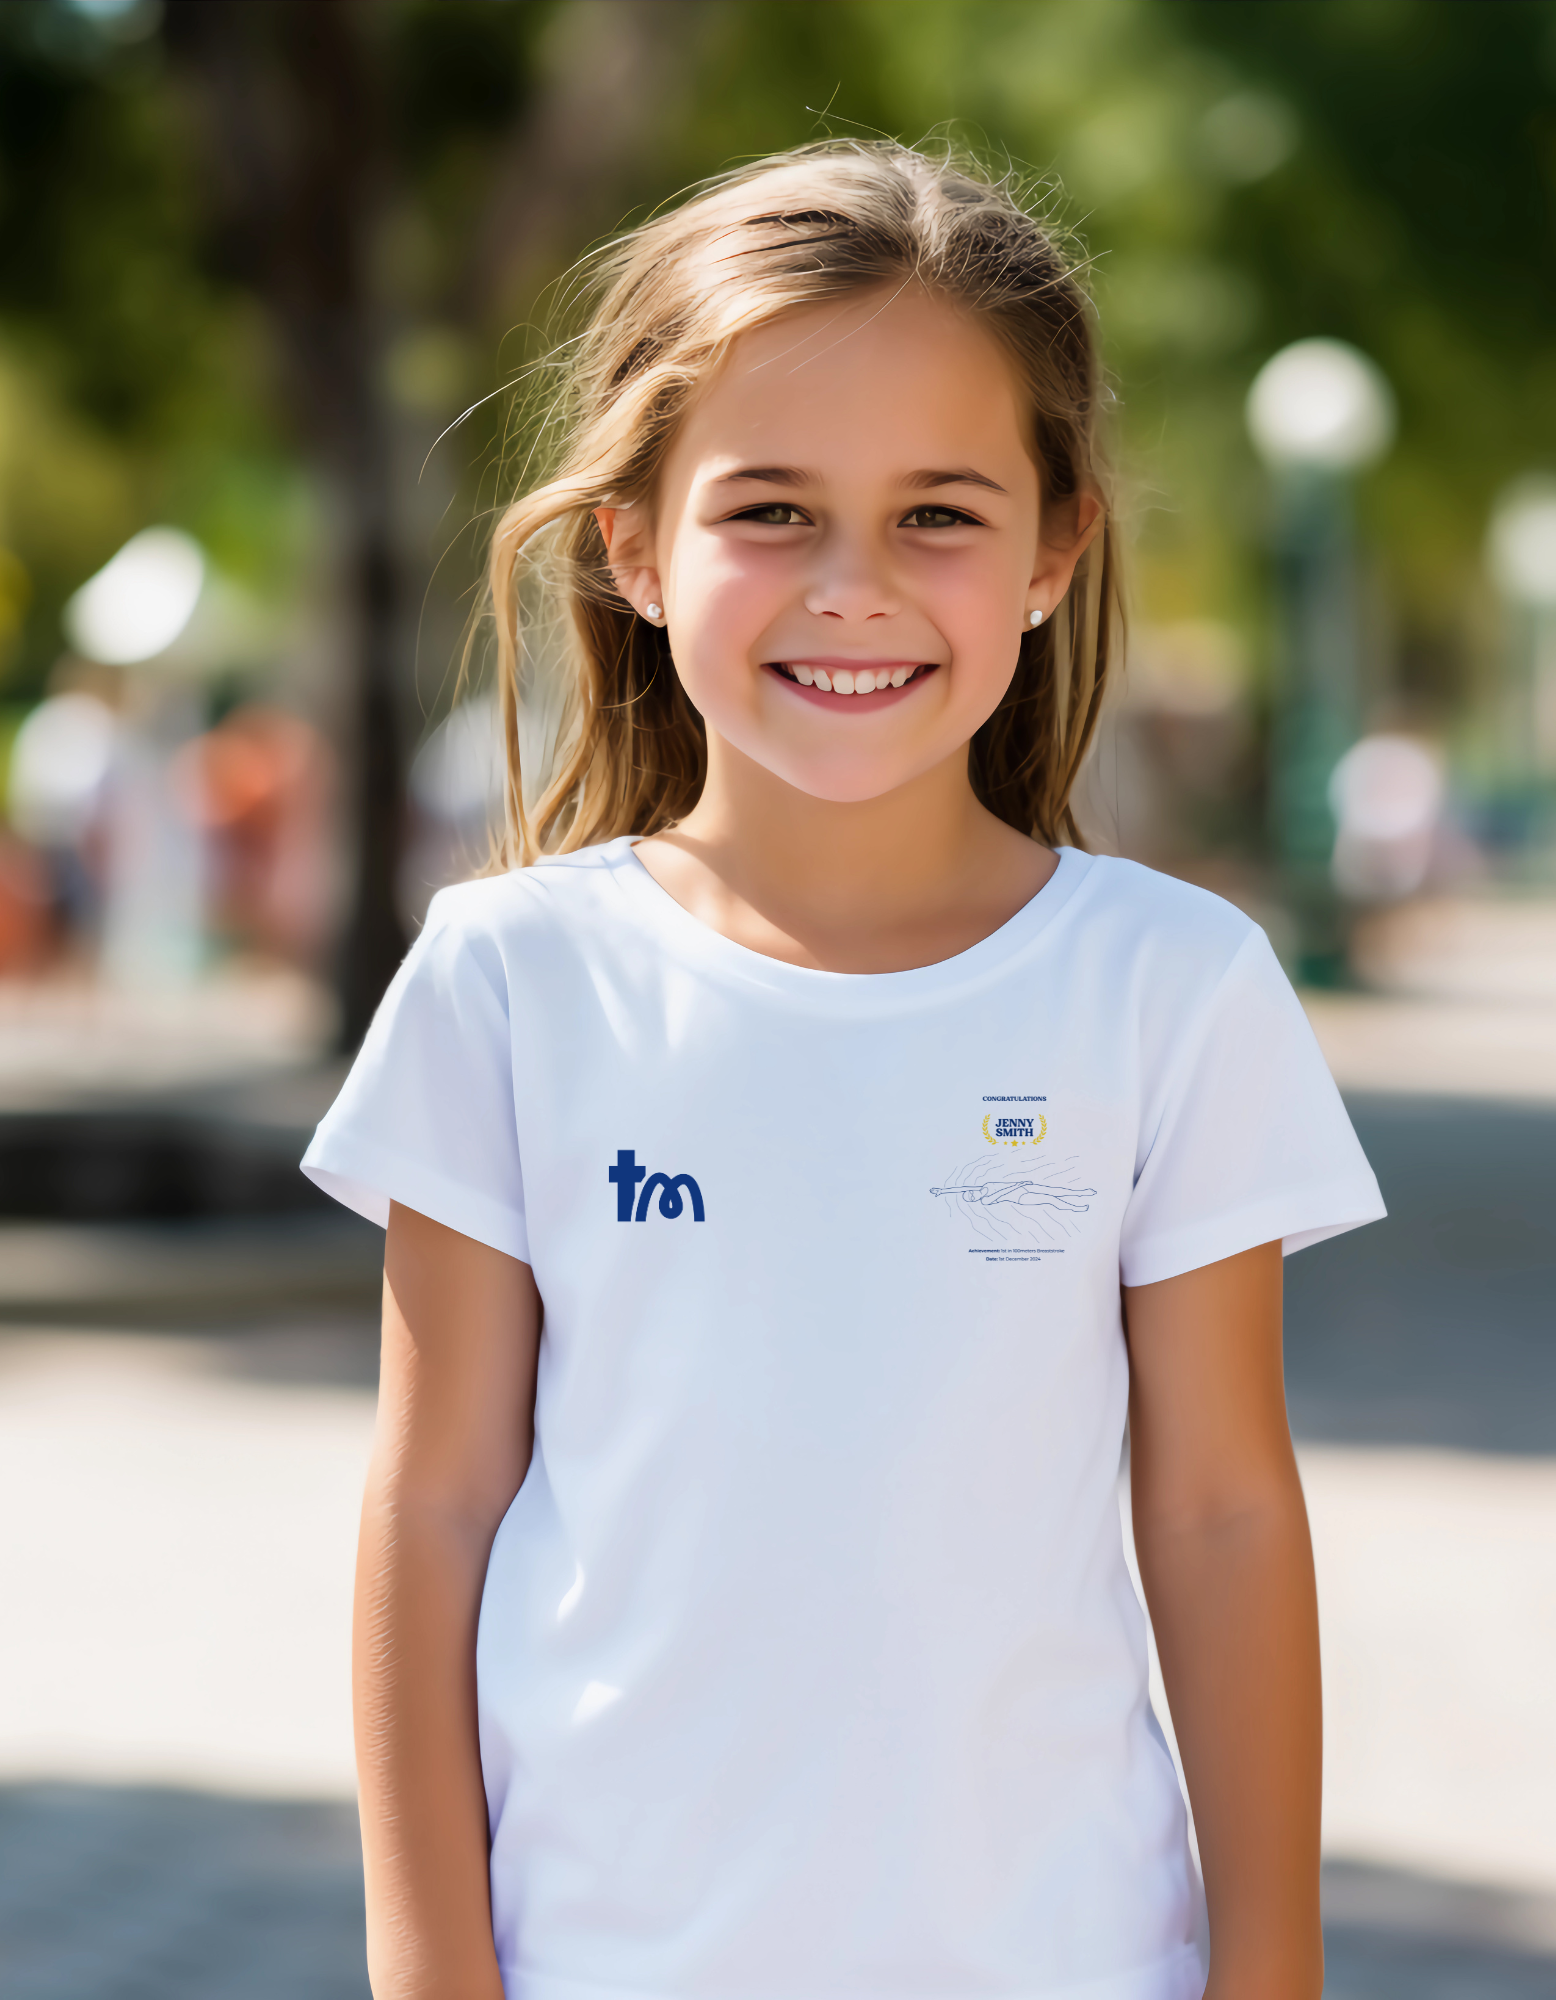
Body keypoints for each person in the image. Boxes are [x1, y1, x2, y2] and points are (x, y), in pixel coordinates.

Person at [303, 141, 1385, 2000]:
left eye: (939, 516)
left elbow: (1218, 1508)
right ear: (635, 545)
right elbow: (435, 1502)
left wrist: (1268, 1966)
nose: (854, 588)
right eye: (774, 511)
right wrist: (432, 1972)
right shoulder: (510, 983)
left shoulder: (1174, 990)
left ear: (1055, 553)